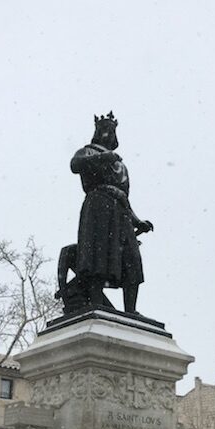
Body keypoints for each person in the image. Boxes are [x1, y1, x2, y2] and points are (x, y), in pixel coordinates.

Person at [69, 111, 153, 314]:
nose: (109, 134)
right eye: (105, 130)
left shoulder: (121, 165)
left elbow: (124, 197)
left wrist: (137, 220)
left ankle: (130, 311)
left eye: (112, 130)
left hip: (121, 211)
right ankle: (96, 301)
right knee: (98, 254)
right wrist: (105, 157)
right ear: (98, 132)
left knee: (131, 258)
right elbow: (75, 165)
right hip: (98, 206)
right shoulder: (88, 151)